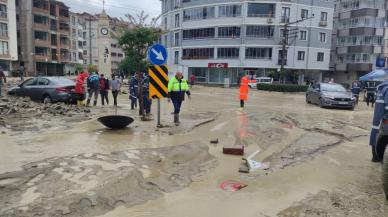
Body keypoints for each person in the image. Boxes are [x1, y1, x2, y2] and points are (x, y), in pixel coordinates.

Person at [370, 80, 388, 162]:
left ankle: (376, 158)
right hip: (384, 121)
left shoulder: (381, 88)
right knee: (382, 139)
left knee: (376, 137)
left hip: (378, 119)